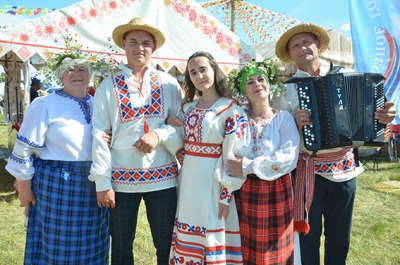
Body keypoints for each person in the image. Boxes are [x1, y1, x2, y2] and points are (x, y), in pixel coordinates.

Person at [273, 23, 396, 265]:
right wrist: (291, 121)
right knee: (307, 236)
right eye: (295, 45)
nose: (302, 48)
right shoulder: (283, 90)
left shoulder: (347, 76)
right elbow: (276, 133)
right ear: (290, 54)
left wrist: (383, 116)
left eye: (306, 42)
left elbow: (375, 111)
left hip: (344, 168)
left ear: (317, 45)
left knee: (340, 236)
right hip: (306, 170)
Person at [89, 17, 183, 264]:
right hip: (121, 181)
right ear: (123, 44)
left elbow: (182, 129)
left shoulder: (169, 84)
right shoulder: (107, 87)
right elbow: (99, 134)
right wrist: (102, 181)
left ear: (153, 48)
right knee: (120, 247)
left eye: (145, 43)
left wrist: (158, 134)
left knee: (166, 243)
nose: (139, 48)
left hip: (162, 178)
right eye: (133, 42)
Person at [5, 57, 110, 264]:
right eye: (70, 70)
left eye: (82, 69)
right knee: (58, 246)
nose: (77, 74)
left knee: (93, 243)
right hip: (58, 184)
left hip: (94, 181)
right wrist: (25, 190)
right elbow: (24, 148)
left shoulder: (98, 103)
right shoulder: (45, 104)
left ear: (90, 75)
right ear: (60, 75)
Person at [168, 51, 249, 264]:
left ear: (214, 69)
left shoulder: (231, 109)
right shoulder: (187, 109)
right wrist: (176, 148)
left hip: (213, 183)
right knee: (188, 230)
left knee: (213, 232)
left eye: (203, 69)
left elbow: (234, 155)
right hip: (188, 183)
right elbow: (178, 135)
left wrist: (226, 194)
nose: (199, 76)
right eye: (193, 72)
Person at [224, 61, 300, 264]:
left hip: (276, 193)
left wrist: (248, 166)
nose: (257, 83)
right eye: (249, 82)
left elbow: (289, 157)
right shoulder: (239, 120)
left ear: (269, 84)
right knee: (246, 249)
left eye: (261, 79)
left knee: (274, 252)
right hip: (245, 194)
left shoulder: (283, 118)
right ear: (244, 91)